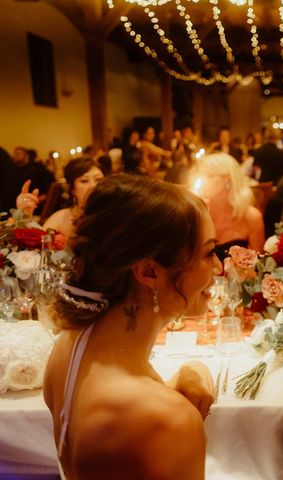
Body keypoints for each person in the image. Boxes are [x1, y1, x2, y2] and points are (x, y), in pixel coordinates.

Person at [43, 174, 219, 479]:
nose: (217, 267)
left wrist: (193, 370)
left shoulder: (69, 347)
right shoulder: (168, 418)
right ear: (150, 271)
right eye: (208, 253)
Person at [17, 157, 105, 239]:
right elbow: (38, 248)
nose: (93, 186)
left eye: (99, 180)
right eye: (84, 181)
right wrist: (25, 215)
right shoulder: (62, 218)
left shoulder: (112, 214)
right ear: (72, 189)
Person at [198, 152, 264, 259]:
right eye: (201, 175)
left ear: (227, 179)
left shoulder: (251, 216)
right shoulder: (200, 213)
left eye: (210, 176)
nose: (203, 181)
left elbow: (259, 267)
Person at [2, 146, 55, 215]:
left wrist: (36, 200)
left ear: (26, 155)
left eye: (18, 154)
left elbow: (49, 187)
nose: (15, 156)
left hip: (35, 206)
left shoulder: (38, 168)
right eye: (14, 154)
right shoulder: (13, 169)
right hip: (18, 203)